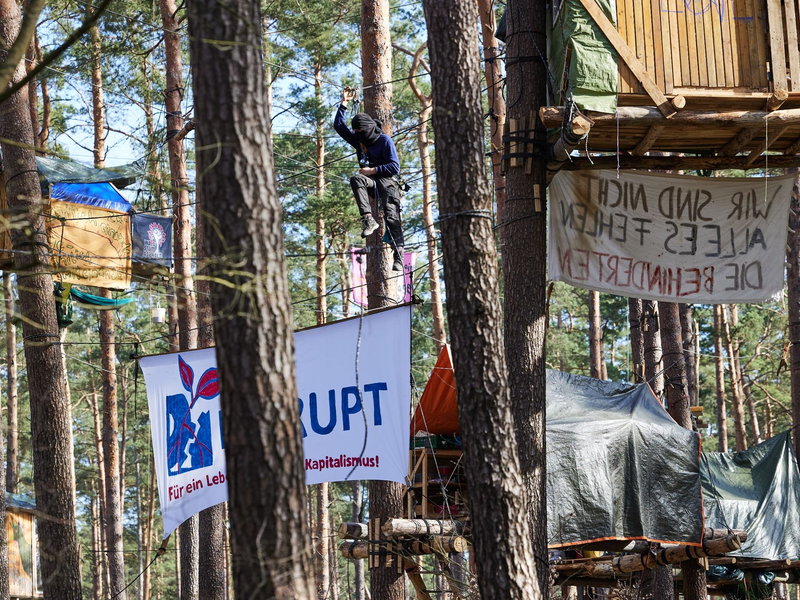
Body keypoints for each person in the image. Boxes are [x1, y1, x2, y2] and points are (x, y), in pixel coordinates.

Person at [334, 87, 405, 271]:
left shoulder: (384, 141)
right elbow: (339, 127)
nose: (359, 136)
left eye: (361, 132)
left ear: (368, 129)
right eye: (356, 133)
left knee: (391, 216)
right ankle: (368, 219)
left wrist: (372, 170)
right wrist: (344, 103)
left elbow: (394, 167)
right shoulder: (359, 140)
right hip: (371, 182)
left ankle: (399, 256)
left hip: (387, 181)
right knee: (356, 179)